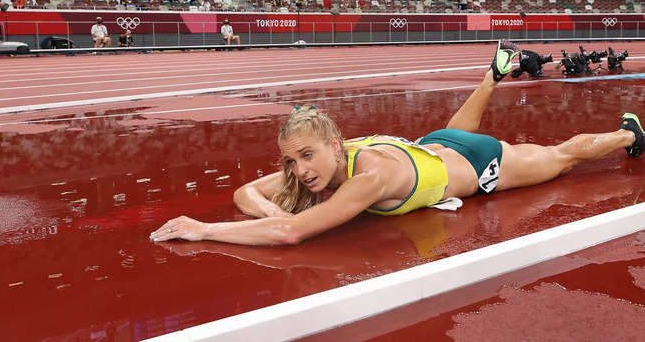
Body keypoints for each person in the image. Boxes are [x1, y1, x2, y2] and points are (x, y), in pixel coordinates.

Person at [149, 41, 644, 245]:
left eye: (306, 157)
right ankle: (493, 77)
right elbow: (243, 195)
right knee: (449, 134)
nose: (300, 172)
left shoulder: (369, 177)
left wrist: (203, 229)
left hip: (482, 163)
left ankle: (630, 134)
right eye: (291, 161)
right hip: (433, 144)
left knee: (559, 157)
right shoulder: (327, 161)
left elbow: (291, 234)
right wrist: (270, 211)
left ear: (335, 146)